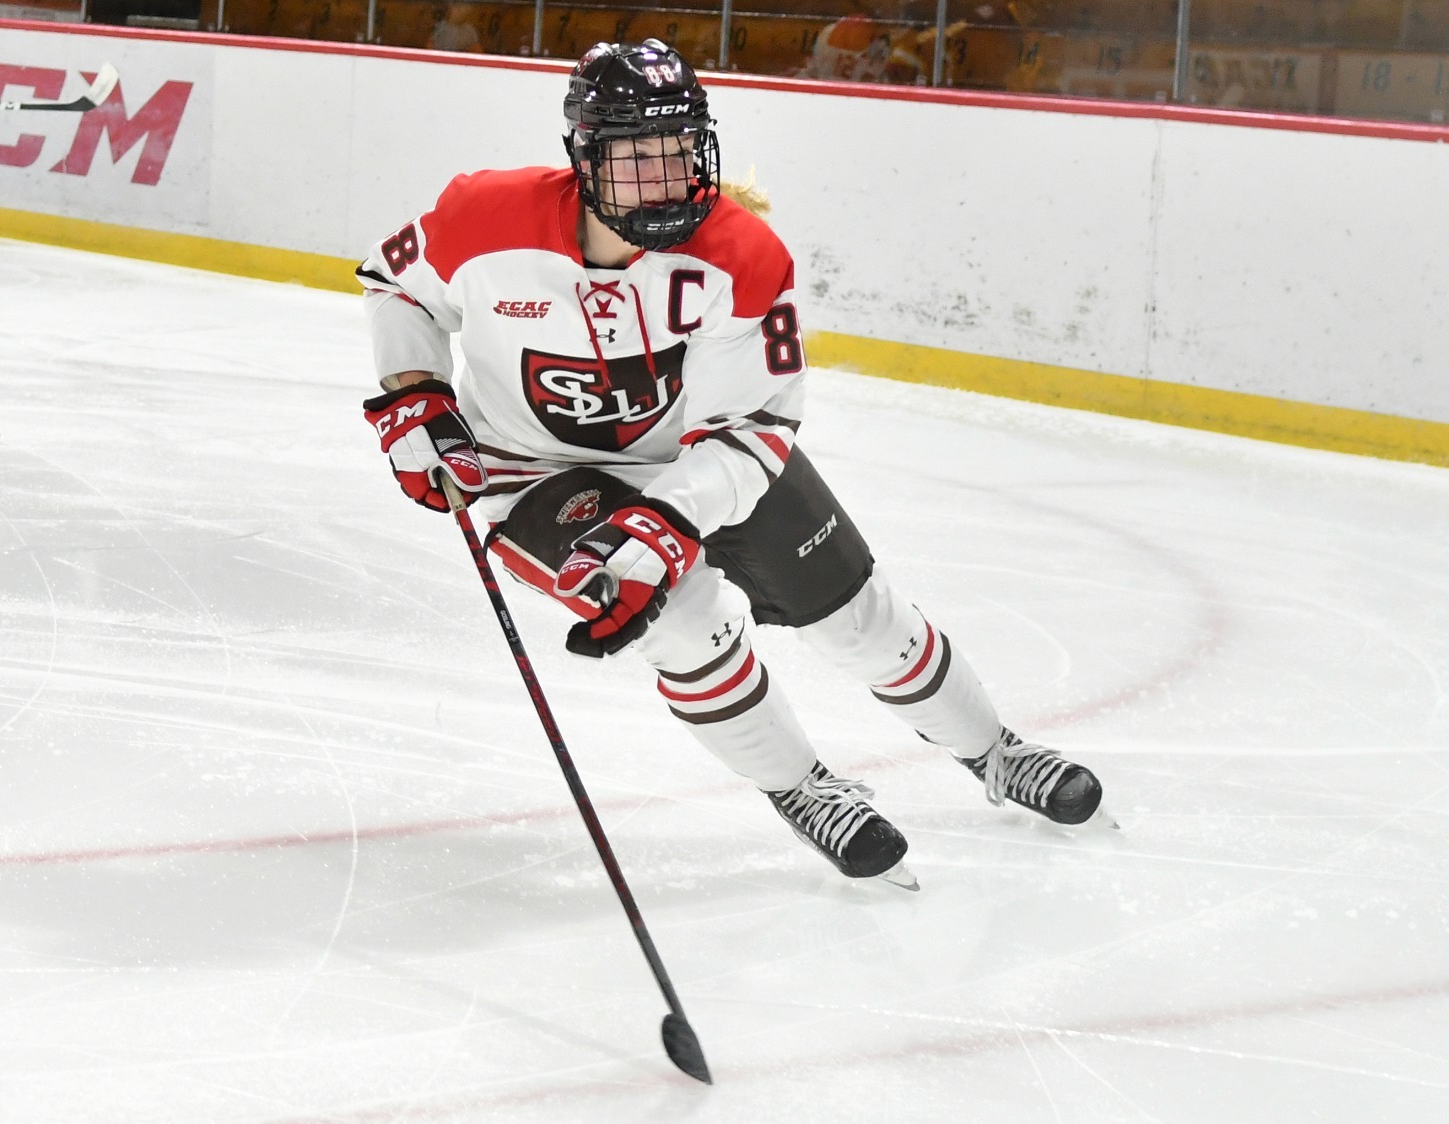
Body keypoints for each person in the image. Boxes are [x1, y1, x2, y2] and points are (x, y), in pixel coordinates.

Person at [357, 39, 1105, 889]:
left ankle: (995, 752)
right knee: (677, 619)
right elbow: (399, 286)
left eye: (677, 148)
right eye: (636, 153)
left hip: (708, 458)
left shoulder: (743, 255)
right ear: (584, 156)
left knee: (860, 619)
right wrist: (413, 391)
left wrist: (669, 516)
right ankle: (803, 788)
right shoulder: (482, 216)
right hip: (534, 471)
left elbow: (752, 426)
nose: (663, 173)